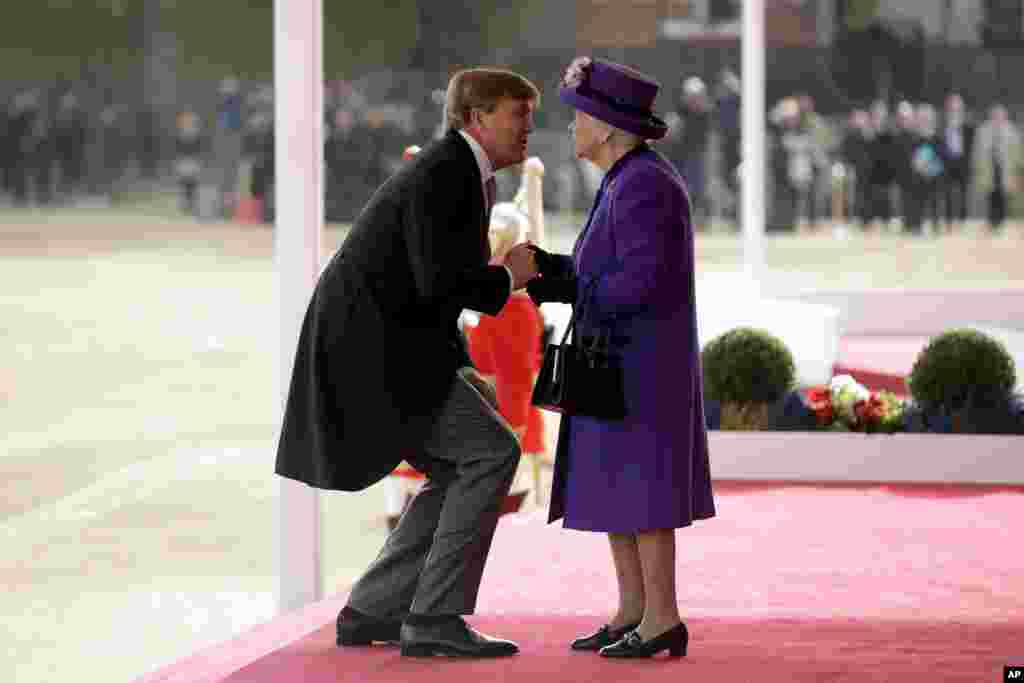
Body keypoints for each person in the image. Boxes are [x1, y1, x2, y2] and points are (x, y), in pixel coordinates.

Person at [275, 67, 541, 658]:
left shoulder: (460, 172)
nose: (529, 127)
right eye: (517, 113)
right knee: (492, 453)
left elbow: (428, 288)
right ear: (476, 117)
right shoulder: (448, 173)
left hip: (385, 349)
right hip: (379, 355)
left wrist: (463, 363)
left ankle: (375, 608)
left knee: (464, 462)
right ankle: (434, 617)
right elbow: (438, 282)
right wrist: (508, 276)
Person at [526, 57, 716, 659]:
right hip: (619, 362)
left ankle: (663, 617)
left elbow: (638, 284)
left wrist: (568, 282)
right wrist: (548, 272)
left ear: (606, 126)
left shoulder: (647, 185)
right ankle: (633, 611)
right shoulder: (626, 179)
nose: (573, 127)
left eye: (581, 115)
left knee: (644, 493)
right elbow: (598, 273)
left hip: (642, 368)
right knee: (619, 492)